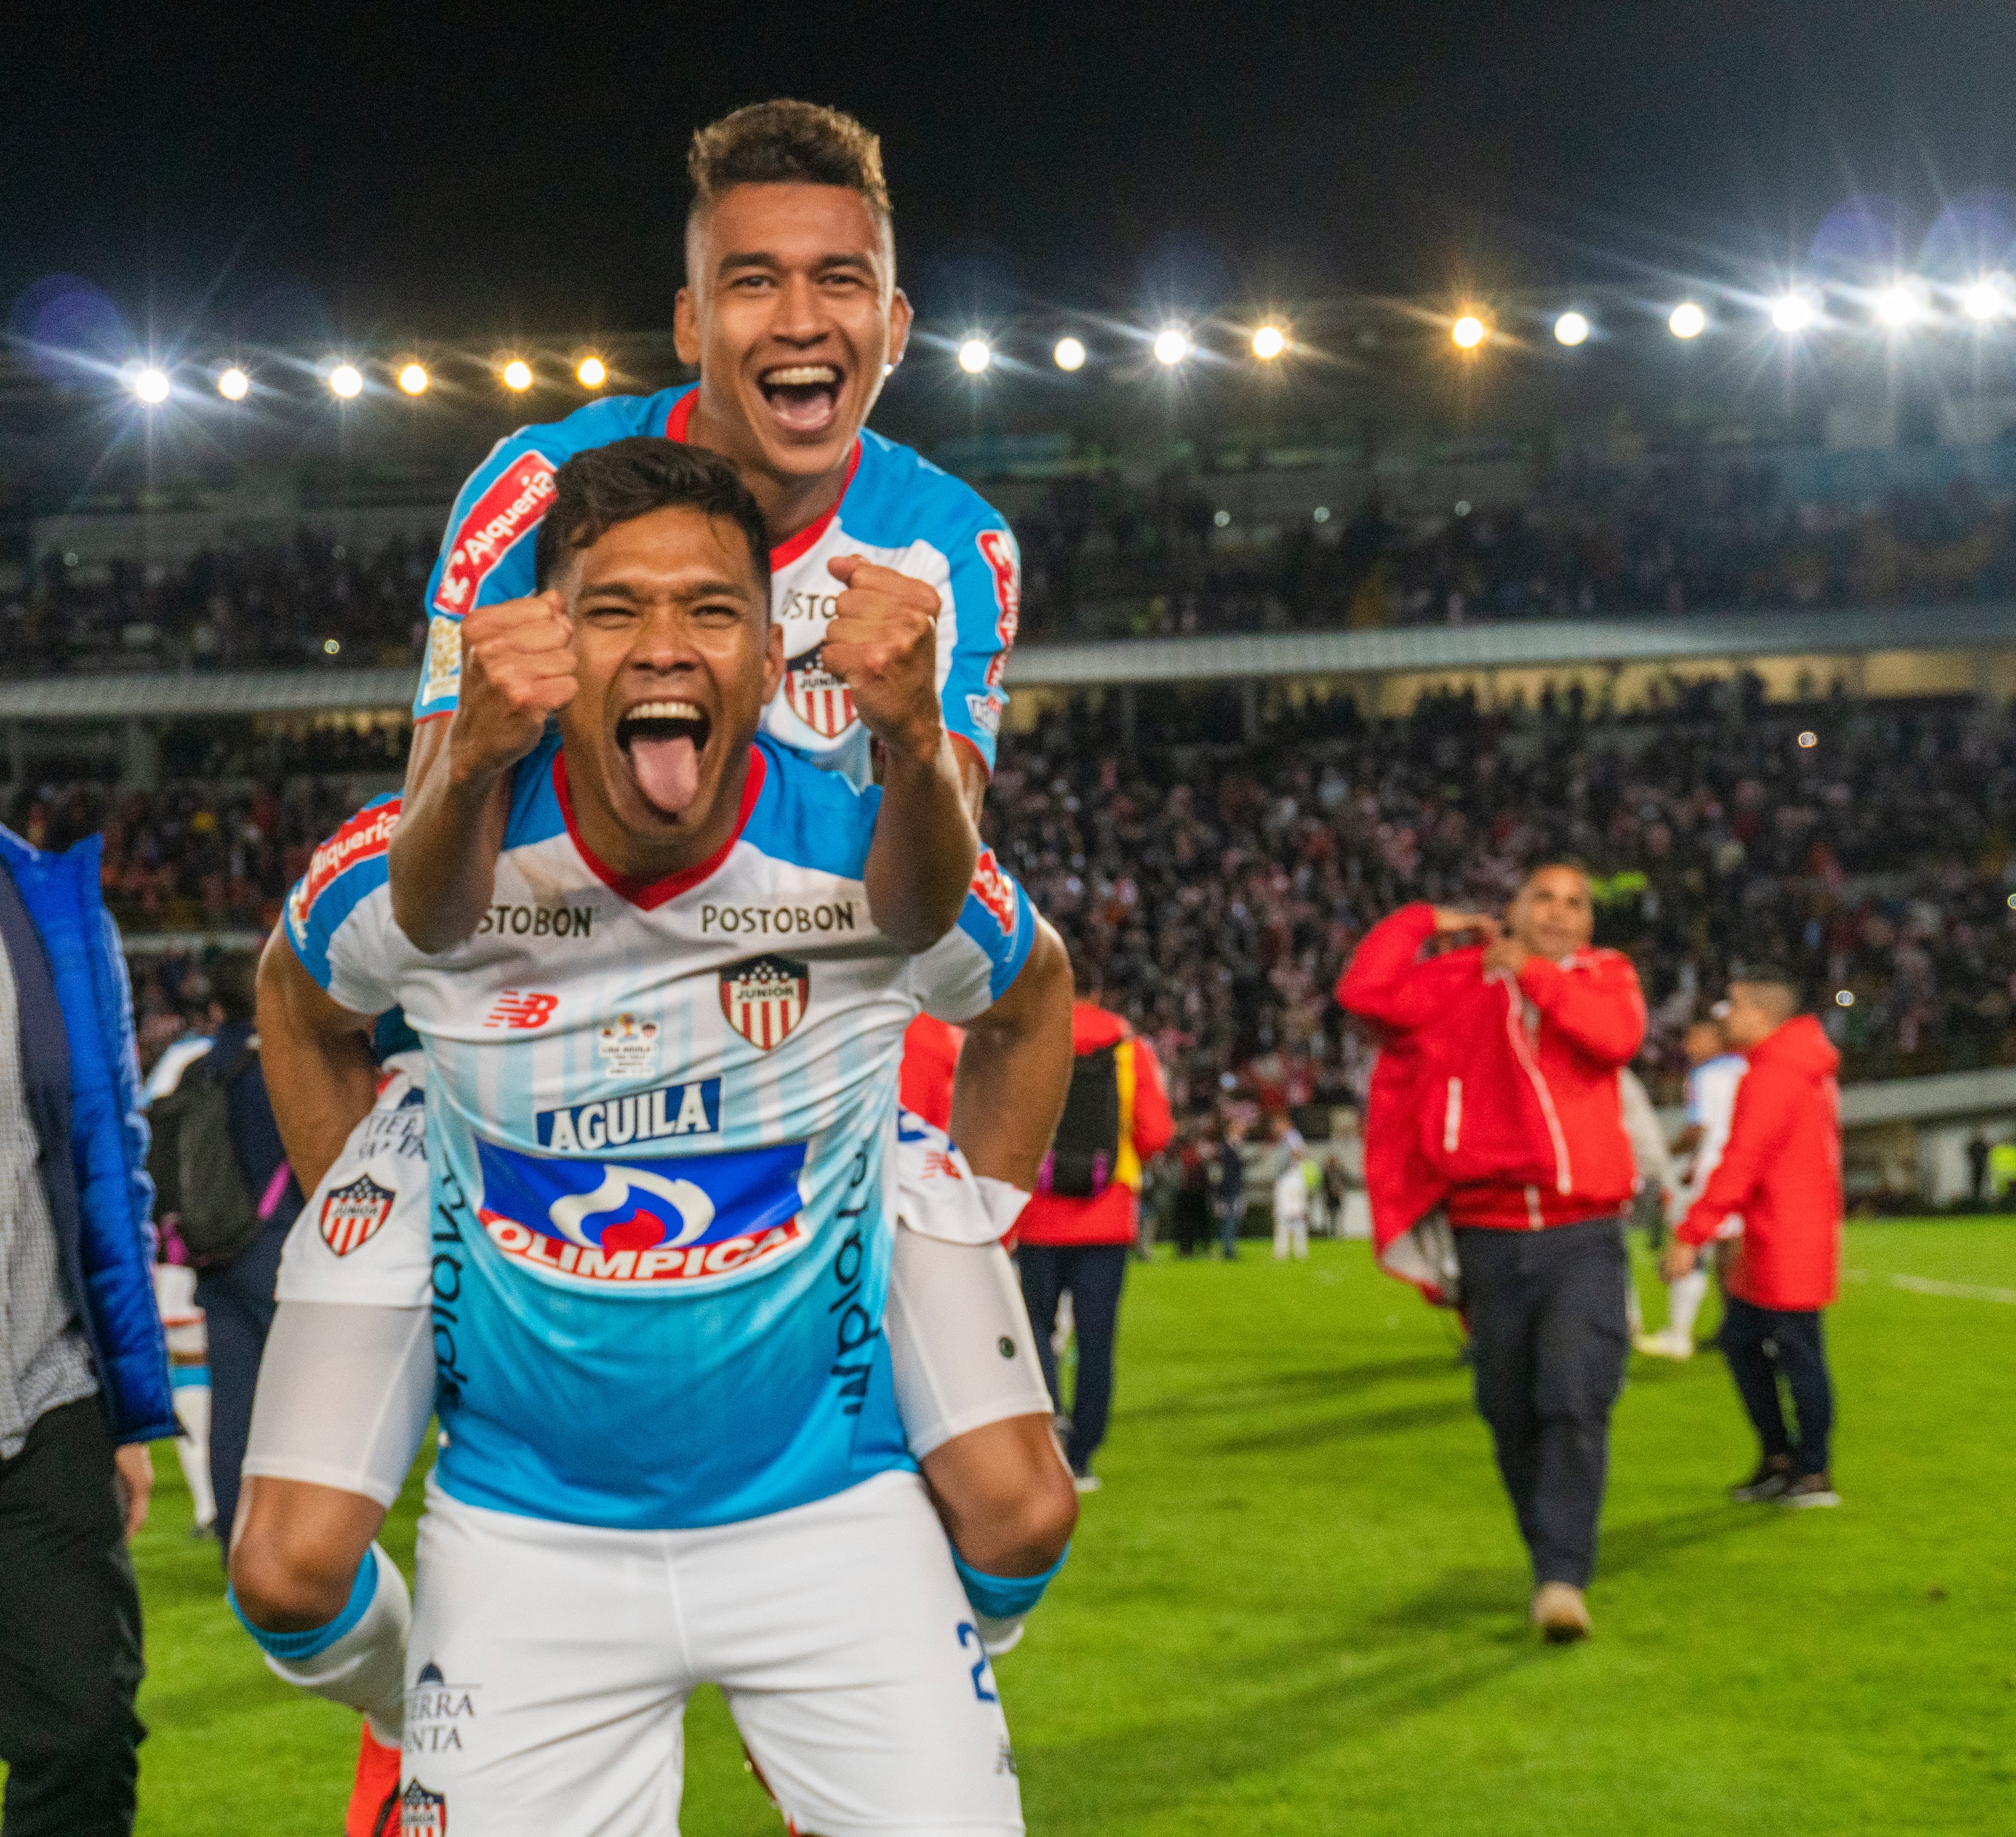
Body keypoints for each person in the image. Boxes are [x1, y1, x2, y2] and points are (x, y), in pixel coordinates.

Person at [235, 438, 1073, 1833]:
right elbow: (300, 986)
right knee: (282, 1571)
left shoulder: (855, 850)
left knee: (1021, 1513)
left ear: (768, 659)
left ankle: (927, 1651)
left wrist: (967, 1212)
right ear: (548, 640)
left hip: (828, 1511)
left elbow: (1022, 980)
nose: (665, 647)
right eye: (612, 609)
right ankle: (407, 1700)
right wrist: (378, 1230)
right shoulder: (419, 858)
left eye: (711, 610)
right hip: (523, 1529)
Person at [1336, 866, 1646, 1641]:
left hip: (1582, 1231)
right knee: (1506, 1408)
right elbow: (1363, 995)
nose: (1557, 912)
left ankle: (1560, 1578)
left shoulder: (1605, 976)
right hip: (1489, 1230)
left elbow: (1614, 1038)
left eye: (1575, 902)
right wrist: (1421, 919)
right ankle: (1550, 1553)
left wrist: (1534, 975)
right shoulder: (1456, 979)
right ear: (1510, 910)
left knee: (1573, 1397)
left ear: (1586, 924)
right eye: (1542, 897)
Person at [0, 821, 177, 1834]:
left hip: (42, 1389)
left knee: (86, 1730)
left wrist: (122, 1400)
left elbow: (107, 1160)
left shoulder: (43, 901)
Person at [1665, 968, 1844, 1508]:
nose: (1725, 1014)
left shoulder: (1775, 1075)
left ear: (1763, 1017)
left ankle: (1811, 1470)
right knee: (1748, 1343)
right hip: (1784, 1231)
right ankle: (1783, 1459)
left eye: (1734, 1005)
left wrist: (1691, 1232)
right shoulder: (1788, 1067)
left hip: (1786, 1236)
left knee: (1796, 1351)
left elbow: (1743, 1162)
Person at [1015, 955, 1173, 1491]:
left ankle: (1045, 1434)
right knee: (1097, 1340)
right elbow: (1155, 1133)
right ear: (1102, 990)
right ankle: (1082, 1455)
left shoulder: (1027, 1037)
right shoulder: (1131, 1049)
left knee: (1034, 1328)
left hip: (1037, 1216)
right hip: (1106, 1219)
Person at [174, 954, 302, 1559]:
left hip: (216, 1255)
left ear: (217, 1008)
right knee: (296, 1404)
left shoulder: (198, 1072)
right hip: (279, 1251)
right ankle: (294, 1541)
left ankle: (236, 1537)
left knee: (231, 1407)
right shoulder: (283, 1062)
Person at [1638, 1015, 1744, 1359]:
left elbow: (1698, 1130)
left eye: (1695, 1037)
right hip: (1744, 1172)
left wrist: (1666, 1155)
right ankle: (1738, 1331)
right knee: (1733, 1255)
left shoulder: (1703, 1076)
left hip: (1712, 1172)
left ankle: (1678, 1334)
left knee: (1690, 1247)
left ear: (1717, 1039)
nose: (1687, 1046)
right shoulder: (1748, 1067)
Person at [1212, 1118, 1247, 1260]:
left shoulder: (1235, 1146)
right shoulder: (1224, 1147)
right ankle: (1228, 1250)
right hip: (1226, 1188)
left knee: (1233, 1219)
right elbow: (1220, 1170)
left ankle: (1229, 1248)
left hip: (1235, 1187)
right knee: (1229, 1219)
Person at [1272, 1140, 1310, 1260]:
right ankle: (1281, 1253)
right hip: (1285, 1207)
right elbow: (1280, 1192)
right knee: (1282, 1231)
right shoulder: (1284, 1173)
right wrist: (1278, 1208)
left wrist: (1303, 1208)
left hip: (1298, 1206)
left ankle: (1301, 1252)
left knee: (1300, 1231)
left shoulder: (1302, 1171)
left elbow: (1302, 1192)